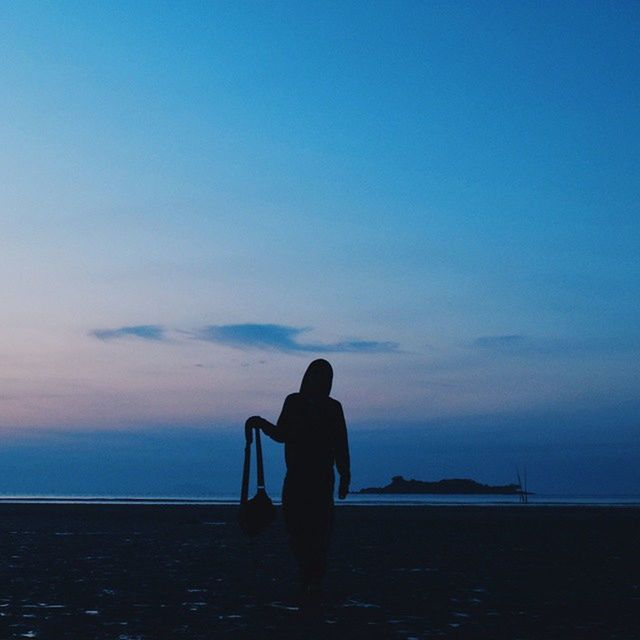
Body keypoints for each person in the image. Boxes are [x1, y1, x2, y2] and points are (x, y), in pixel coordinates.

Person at [245, 358, 350, 605]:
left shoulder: (333, 408)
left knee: (319, 531)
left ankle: (313, 579)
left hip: (322, 479)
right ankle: (307, 574)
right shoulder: (293, 402)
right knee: (296, 529)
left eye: (325, 377)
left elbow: (340, 444)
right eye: (316, 375)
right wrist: (259, 422)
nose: (320, 381)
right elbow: (281, 435)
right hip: (296, 478)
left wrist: (345, 476)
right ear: (308, 376)